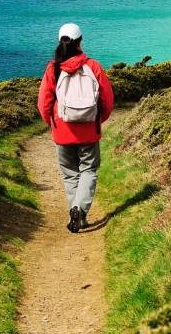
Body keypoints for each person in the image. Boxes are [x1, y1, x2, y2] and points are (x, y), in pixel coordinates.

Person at [37, 23, 114, 233]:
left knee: (70, 174)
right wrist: (98, 120)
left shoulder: (53, 68)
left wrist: (52, 123)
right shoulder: (94, 66)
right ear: (80, 41)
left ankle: (76, 211)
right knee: (88, 170)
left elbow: (44, 102)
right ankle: (80, 211)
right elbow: (107, 100)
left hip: (62, 132)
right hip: (89, 131)